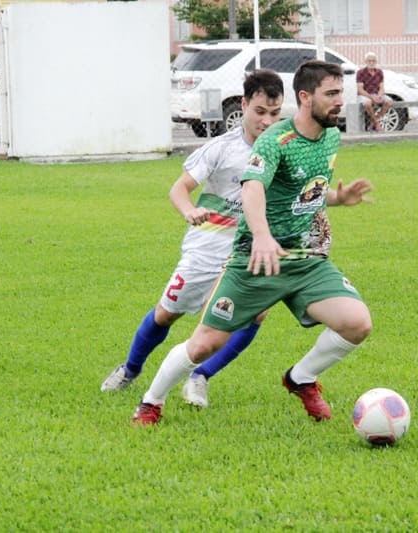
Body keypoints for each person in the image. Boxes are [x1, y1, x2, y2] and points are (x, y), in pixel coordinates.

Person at [132, 60, 374, 426]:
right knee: (202, 344)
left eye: (341, 92)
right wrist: (261, 235)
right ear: (306, 98)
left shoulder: (330, 136)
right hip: (253, 259)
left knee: (357, 324)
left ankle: (300, 378)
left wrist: (338, 200)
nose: (341, 101)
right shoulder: (274, 141)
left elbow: (300, 195)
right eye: (332, 94)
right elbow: (254, 188)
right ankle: (151, 402)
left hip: (304, 258)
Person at [101, 70, 285, 408]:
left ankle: (201, 376)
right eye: (259, 112)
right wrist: (188, 211)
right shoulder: (222, 148)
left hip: (248, 250)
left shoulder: (283, 150)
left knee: (254, 315)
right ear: (243, 106)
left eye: (275, 114)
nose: (267, 121)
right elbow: (180, 188)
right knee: (166, 314)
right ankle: (130, 369)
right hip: (207, 247)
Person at [356, 52, 393, 132]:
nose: (371, 63)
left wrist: (379, 95)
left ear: (376, 62)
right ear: (365, 62)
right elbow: (360, 90)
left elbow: (382, 87)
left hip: (376, 94)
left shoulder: (379, 72)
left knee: (389, 101)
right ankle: (377, 124)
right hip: (365, 95)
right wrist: (371, 97)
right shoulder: (360, 72)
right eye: (369, 61)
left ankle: (373, 123)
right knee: (367, 103)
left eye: (373, 61)